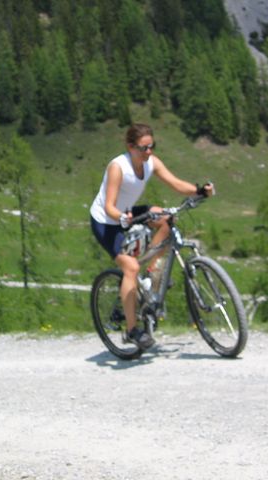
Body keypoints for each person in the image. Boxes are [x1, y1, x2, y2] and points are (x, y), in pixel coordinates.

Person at [90, 123, 213, 349]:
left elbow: (176, 183)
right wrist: (122, 218)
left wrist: (199, 191)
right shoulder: (118, 167)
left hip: (129, 212)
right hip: (107, 221)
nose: (149, 152)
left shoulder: (151, 163)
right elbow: (109, 206)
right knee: (130, 267)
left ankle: (150, 274)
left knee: (166, 218)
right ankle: (132, 331)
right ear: (130, 147)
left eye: (151, 146)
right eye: (143, 148)